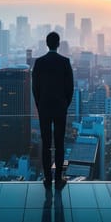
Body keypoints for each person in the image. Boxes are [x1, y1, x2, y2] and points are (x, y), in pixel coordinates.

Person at [32, 32, 74, 190]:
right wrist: (65, 104)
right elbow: (70, 87)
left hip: (44, 108)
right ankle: (59, 179)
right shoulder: (64, 62)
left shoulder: (39, 62)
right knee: (60, 144)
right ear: (58, 44)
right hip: (60, 108)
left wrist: (39, 104)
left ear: (46, 43)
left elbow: (35, 87)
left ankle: (47, 179)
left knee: (46, 144)